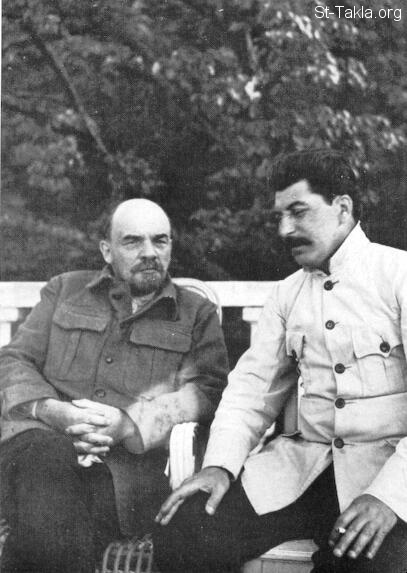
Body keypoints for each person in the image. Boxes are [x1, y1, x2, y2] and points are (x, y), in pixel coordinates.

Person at [154, 150, 407, 573]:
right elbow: (251, 392)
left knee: (367, 562)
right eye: (280, 216)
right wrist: (219, 466)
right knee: (186, 529)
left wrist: (390, 497)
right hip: (301, 470)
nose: (285, 229)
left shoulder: (398, 276)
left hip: (384, 474)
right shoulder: (288, 294)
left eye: (298, 212)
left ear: (342, 208)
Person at [0, 198, 228, 573]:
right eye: (133, 241)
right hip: (36, 448)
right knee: (48, 465)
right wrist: (52, 411)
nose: (150, 252)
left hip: (121, 476)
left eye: (160, 240)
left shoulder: (195, 313)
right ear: (107, 250)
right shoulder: (64, 290)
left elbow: (207, 391)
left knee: (50, 516)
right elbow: (13, 360)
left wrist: (128, 424)